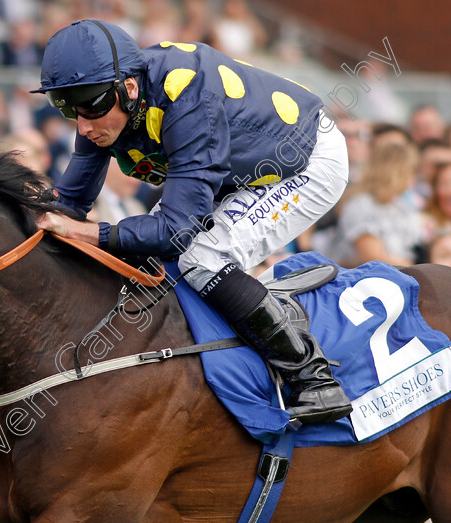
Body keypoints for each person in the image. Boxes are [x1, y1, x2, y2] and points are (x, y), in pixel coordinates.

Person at [31, 19, 351, 424]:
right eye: (68, 107)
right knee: (145, 263)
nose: (85, 125)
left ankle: (313, 378)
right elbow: (69, 204)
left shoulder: (186, 95)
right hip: (235, 170)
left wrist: (90, 232)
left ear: (129, 89)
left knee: (202, 258)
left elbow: (175, 232)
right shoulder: (104, 103)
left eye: (92, 105)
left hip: (302, 160)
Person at [337, 143, 424, 267]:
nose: (413, 177)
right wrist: (418, 269)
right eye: (410, 170)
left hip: (404, 273)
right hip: (373, 278)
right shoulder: (361, 204)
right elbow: (373, 257)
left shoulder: (400, 204)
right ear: (395, 172)